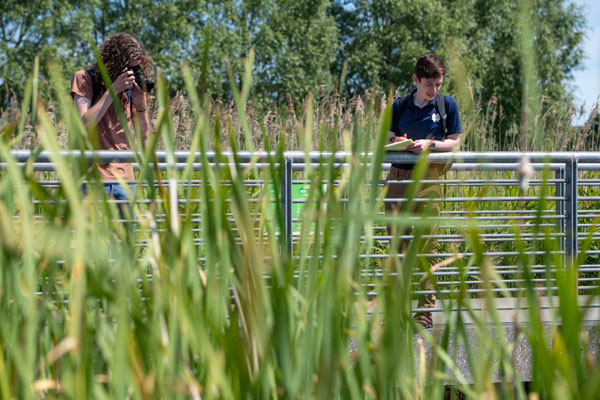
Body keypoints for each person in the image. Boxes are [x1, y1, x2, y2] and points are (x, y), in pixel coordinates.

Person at [385, 53, 462, 329]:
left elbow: (454, 142)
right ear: (416, 79)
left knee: (427, 246)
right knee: (397, 245)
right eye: (429, 84)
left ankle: (424, 312)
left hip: (429, 180)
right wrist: (399, 141)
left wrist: (429, 144)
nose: (434, 90)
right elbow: (387, 137)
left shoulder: (446, 105)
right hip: (397, 178)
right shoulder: (400, 105)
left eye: (438, 84)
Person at [71, 33, 152, 227]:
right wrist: (112, 90)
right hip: (93, 179)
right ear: (114, 63)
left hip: (125, 179)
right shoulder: (84, 78)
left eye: (137, 67)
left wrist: (141, 107)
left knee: (125, 250)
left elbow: (144, 140)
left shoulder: (130, 88)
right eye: (130, 67)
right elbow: (84, 124)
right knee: (94, 250)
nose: (133, 73)